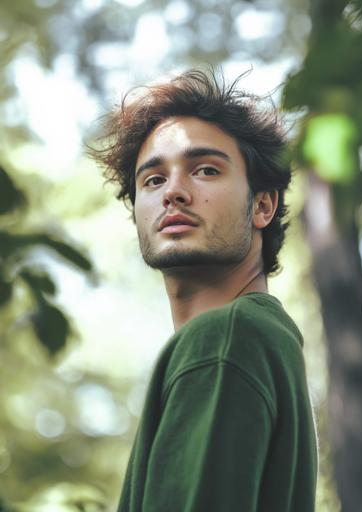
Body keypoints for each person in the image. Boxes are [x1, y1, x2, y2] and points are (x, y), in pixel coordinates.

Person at [92, 69, 319, 511]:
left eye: (205, 170)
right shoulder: (265, 339)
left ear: (262, 205)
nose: (173, 192)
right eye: (153, 180)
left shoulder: (225, 339)